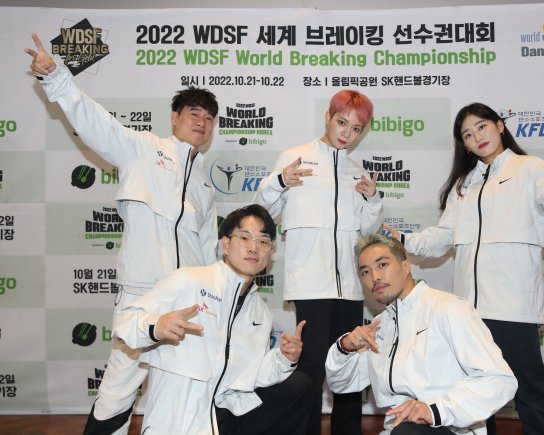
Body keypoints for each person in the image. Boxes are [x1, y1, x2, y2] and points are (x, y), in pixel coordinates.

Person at [25, 33, 219, 434]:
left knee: (181, 394)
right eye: (194, 113)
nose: (202, 123)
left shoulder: (204, 184)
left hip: (186, 304)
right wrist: (56, 77)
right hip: (142, 296)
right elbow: (94, 121)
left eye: (209, 118)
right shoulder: (142, 149)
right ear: (175, 117)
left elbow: (207, 251)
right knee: (118, 391)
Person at [386, 102, 544, 435]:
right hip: (468, 311)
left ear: (499, 126)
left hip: (513, 308)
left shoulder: (529, 168)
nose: (477, 137)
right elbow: (445, 235)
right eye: (468, 135)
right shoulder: (464, 184)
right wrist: (406, 241)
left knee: (530, 393)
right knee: (477, 397)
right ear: (464, 145)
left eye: (482, 127)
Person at [112, 204, 312, 435]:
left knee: (300, 386)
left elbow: (253, 376)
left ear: (270, 251)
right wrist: (156, 326)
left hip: (226, 412)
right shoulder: (188, 280)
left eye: (263, 241)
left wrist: (284, 359)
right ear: (225, 245)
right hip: (183, 417)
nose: (254, 248)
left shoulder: (260, 311)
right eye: (244, 238)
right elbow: (124, 322)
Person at [254, 89, 383, 435]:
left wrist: (373, 201)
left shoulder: (357, 171)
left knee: (349, 368)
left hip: (349, 288)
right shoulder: (295, 158)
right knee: (310, 369)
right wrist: (280, 182)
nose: (347, 133)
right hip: (310, 284)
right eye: (342, 122)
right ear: (327, 117)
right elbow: (261, 213)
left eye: (356, 129)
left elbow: (367, 232)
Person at [325, 234, 517, 435]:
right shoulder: (379, 327)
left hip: (452, 429)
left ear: (406, 266)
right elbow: (341, 384)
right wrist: (345, 347)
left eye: (382, 265)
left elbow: (500, 380)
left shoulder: (448, 308)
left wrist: (435, 410)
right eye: (365, 271)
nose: (375, 277)